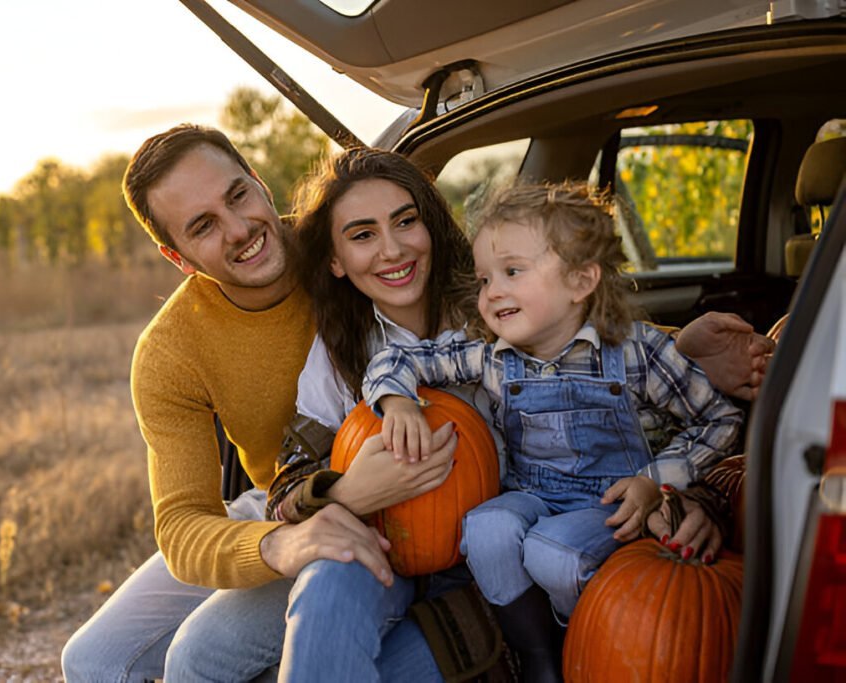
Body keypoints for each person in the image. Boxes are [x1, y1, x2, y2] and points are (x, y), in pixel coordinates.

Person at [60, 125, 768, 681]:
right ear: (179, 257)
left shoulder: (483, 306)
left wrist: (688, 347)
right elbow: (243, 497)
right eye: (202, 226)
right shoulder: (307, 341)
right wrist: (329, 502)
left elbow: (582, 339)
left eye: (237, 196)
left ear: (257, 183)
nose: (239, 228)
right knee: (157, 658)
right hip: (344, 514)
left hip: (494, 532)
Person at [362, 181, 744, 681]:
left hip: (608, 506)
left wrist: (656, 480)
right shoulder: (488, 354)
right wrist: (397, 402)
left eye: (512, 272)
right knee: (487, 530)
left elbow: (721, 419)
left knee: (551, 551)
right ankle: (538, 655)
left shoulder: (637, 353)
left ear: (581, 280)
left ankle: (581, 639)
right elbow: (397, 357)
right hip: (533, 495)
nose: (492, 291)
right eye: (483, 280)